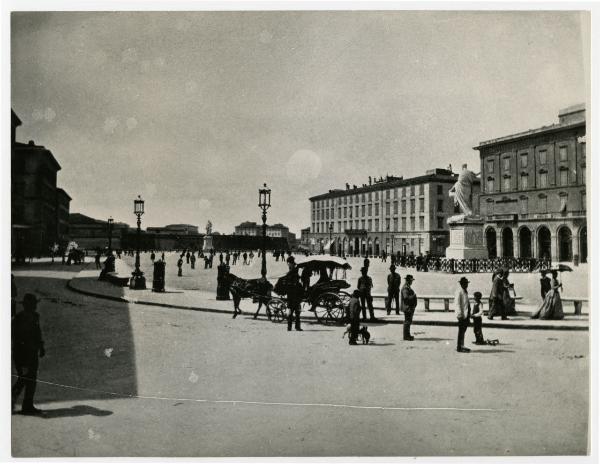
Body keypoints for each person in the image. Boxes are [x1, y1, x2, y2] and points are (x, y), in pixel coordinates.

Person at [12, 293, 45, 415]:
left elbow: (38, 333)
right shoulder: (19, 319)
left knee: (32, 380)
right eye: (33, 304)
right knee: (23, 379)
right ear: (27, 305)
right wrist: (23, 357)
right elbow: (17, 339)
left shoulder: (36, 316)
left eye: (35, 304)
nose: (35, 306)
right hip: (22, 355)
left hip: (33, 353)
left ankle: (28, 405)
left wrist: (41, 346)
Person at [284, 256, 304, 332]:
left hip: (293, 294)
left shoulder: (293, 271)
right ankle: (293, 327)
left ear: (291, 263)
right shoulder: (293, 270)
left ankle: (292, 327)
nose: (288, 264)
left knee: (294, 311)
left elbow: (292, 281)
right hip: (293, 294)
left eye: (288, 263)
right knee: (294, 311)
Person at [454, 277, 471, 353]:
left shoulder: (465, 291)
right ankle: (459, 346)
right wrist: (459, 314)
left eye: (467, 283)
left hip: (466, 314)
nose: (466, 285)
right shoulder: (459, 292)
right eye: (465, 284)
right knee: (461, 331)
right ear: (462, 284)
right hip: (462, 314)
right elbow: (457, 304)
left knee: (463, 331)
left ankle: (462, 345)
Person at [401, 274, 417, 340]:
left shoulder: (408, 287)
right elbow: (406, 297)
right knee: (407, 321)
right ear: (408, 281)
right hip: (407, 307)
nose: (412, 282)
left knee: (408, 321)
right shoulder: (405, 288)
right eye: (411, 280)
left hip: (409, 307)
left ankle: (408, 335)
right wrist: (413, 296)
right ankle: (406, 336)